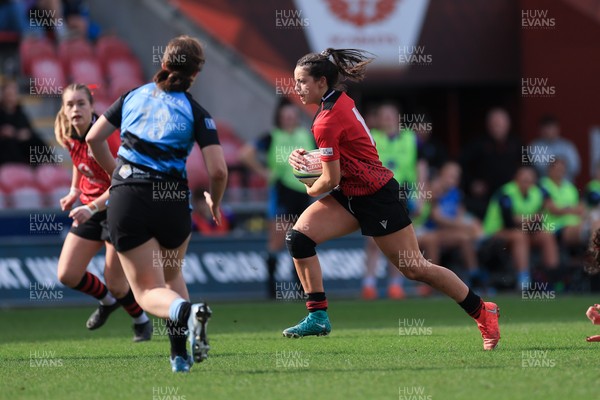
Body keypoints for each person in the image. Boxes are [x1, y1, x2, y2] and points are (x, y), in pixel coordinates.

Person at [284, 47, 500, 350]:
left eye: (302, 81)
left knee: (415, 268)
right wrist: (309, 158)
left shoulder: (326, 119)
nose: (296, 87)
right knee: (299, 239)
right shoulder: (336, 103)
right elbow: (342, 155)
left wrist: (308, 185)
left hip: (376, 196)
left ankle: (483, 311)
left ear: (322, 82)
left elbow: (329, 179)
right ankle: (318, 316)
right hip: (350, 193)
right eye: (295, 81)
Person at [87, 35, 228, 372]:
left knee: (149, 291)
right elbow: (218, 171)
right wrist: (215, 202)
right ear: (197, 73)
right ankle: (179, 354)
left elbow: (93, 138)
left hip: (130, 197)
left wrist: (116, 174)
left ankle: (188, 313)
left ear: (164, 63)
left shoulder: (132, 97)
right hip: (173, 201)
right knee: (172, 273)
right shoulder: (197, 111)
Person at [54, 83, 152, 341]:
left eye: (81, 103)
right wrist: (75, 190)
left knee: (118, 283)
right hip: (89, 206)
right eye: (70, 104)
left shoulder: (105, 136)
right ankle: (107, 302)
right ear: (63, 110)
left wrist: (90, 206)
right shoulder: (67, 132)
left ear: (92, 106)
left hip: (118, 206)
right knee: (67, 274)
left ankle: (141, 321)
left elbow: (121, 181)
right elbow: (80, 161)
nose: (75, 109)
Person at [239, 99, 314, 298]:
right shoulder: (272, 137)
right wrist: (263, 172)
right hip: (282, 194)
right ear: (279, 118)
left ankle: (300, 288)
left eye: (292, 116)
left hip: (303, 194)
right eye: (285, 117)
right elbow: (245, 154)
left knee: (300, 241)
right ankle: (272, 289)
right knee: (277, 241)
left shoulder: (305, 136)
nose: (289, 120)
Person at [482, 166, 559, 289]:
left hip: (524, 231)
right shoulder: (506, 193)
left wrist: (530, 221)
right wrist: (529, 220)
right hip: (495, 232)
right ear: (516, 179)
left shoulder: (537, 192)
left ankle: (552, 279)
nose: (526, 183)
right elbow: (509, 222)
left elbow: (538, 219)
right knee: (519, 236)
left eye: (529, 180)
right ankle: (524, 280)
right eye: (523, 180)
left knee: (546, 235)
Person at [426, 161, 487, 289]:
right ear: (441, 174)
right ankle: (433, 282)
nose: (453, 179)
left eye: (456, 176)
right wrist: (462, 226)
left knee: (469, 233)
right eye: (450, 175)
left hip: (449, 232)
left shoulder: (456, 192)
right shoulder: (434, 190)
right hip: (431, 231)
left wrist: (470, 225)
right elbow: (437, 218)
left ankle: (473, 274)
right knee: (463, 236)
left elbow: (460, 214)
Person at [460, 107, 522, 219]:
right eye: (494, 124)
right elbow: (461, 166)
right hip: (485, 198)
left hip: (510, 195)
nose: (497, 128)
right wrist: (472, 182)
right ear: (488, 125)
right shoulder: (477, 145)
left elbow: (527, 168)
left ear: (508, 125)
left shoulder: (516, 145)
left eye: (500, 124)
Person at [0, 80, 47, 165]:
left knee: (36, 141)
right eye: (9, 95)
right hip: (6, 148)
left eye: (13, 94)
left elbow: (30, 130)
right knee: (8, 144)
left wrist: (25, 134)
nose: (11, 98)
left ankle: (47, 166)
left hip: (21, 144)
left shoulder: (20, 113)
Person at [529, 115, 580, 181]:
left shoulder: (567, 146)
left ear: (558, 129)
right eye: (546, 128)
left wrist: (554, 164)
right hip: (544, 187)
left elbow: (575, 167)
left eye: (552, 128)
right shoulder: (534, 146)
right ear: (540, 130)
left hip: (566, 185)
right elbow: (540, 167)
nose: (549, 131)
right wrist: (560, 163)